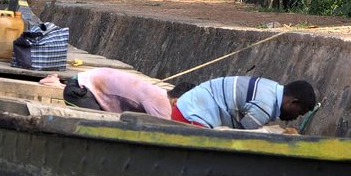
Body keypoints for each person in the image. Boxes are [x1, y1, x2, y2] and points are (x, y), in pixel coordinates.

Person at [170, 76, 317, 130]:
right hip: (190, 117)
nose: (295, 118)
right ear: (293, 102)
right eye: (299, 113)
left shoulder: (270, 86)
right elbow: (240, 137)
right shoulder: (265, 107)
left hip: (186, 107)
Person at [40, 68, 171, 118]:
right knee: (95, 123)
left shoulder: (160, 93)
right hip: (77, 91)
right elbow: (165, 129)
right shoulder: (162, 103)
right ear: (176, 100)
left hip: (85, 81)